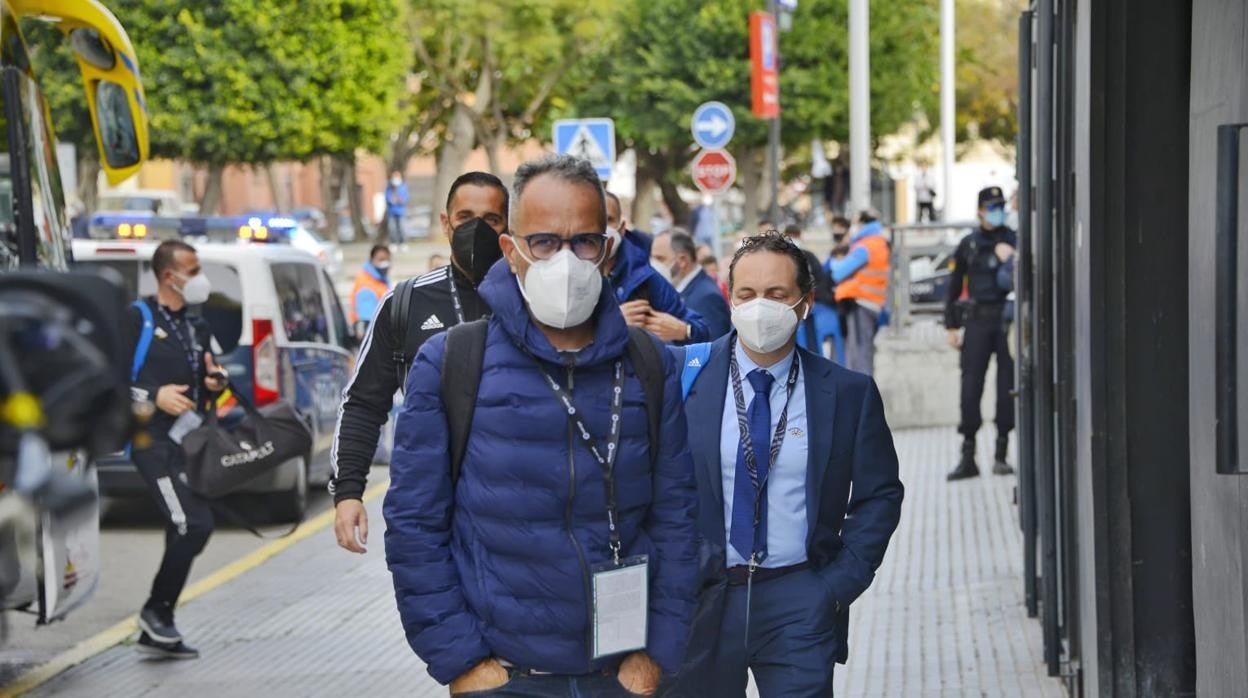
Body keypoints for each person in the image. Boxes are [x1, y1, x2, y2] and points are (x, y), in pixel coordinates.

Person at [384, 154, 698, 696]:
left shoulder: (649, 363)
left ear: (607, 252)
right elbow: (414, 528)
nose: (567, 260)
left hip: (621, 675)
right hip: (504, 675)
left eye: (585, 242)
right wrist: (462, 662)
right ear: (511, 250)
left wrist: (655, 655)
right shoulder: (452, 362)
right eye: (545, 242)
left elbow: (678, 519)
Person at [667, 233, 903, 697]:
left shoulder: (848, 392)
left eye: (776, 294)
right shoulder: (683, 376)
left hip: (799, 598)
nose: (760, 307)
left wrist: (836, 586)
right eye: (747, 294)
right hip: (702, 601)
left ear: (805, 303)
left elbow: (880, 495)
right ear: (729, 298)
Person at [330, 172, 507, 553]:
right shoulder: (405, 303)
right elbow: (363, 403)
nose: (477, 230)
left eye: (491, 220)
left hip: (513, 504)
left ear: (508, 226)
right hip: (428, 508)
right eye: (465, 218)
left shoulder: (532, 300)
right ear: (446, 224)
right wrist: (348, 492)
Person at [127, 240, 229, 659]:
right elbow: (107, 379)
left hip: (188, 444)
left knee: (185, 526)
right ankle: (156, 611)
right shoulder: (139, 319)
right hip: (150, 444)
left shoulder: (196, 325)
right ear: (169, 276)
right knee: (193, 524)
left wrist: (215, 384)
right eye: (194, 269)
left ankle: (159, 621)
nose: (200, 277)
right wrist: (154, 395)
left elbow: (210, 377)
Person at [945, 186, 1018, 480]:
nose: (997, 211)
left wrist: (1011, 257)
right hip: (976, 321)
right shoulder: (968, 244)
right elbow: (953, 284)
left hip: (1005, 321)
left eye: (1000, 205)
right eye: (992, 206)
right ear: (979, 211)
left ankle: (1001, 453)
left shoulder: (1012, 239)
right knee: (971, 386)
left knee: (1007, 387)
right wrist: (950, 325)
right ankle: (968, 455)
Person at [604, 196, 709, 345]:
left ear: (621, 228)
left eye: (608, 219)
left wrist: (685, 331)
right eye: (594, 219)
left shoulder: (643, 277)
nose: (601, 227)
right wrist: (611, 322)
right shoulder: (567, 276)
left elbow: (700, 331)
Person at [829, 211, 891, 375]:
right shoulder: (879, 242)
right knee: (864, 353)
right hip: (873, 303)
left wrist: (835, 261)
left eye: (856, 223)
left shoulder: (865, 246)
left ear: (863, 224)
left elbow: (838, 272)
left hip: (860, 303)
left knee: (859, 357)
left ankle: (862, 396)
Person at [651, 231, 731, 339]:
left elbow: (715, 348)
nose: (654, 266)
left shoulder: (707, 296)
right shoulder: (678, 290)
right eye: (653, 259)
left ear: (682, 260)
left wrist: (685, 332)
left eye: (660, 259)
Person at [783, 224, 838, 357]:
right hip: (789, 308)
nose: (793, 240)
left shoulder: (808, 257)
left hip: (807, 309)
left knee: (809, 340)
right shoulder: (781, 259)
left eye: (795, 237)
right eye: (790, 237)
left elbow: (820, 280)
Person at [349, 245, 391, 336]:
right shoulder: (366, 285)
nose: (385, 263)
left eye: (387, 260)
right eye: (381, 259)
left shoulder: (380, 279)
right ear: (372, 260)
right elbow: (368, 323)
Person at [384, 171, 410, 246]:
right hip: (391, 212)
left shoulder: (403, 187)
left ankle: (402, 243)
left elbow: (406, 198)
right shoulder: (389, 188)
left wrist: (401, 200)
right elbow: (387, 197)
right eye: (394, 177)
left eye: (397, 177)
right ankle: (393, 243)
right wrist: (391, 200)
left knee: (402, 228)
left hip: (401, 212)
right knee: (392, 229)